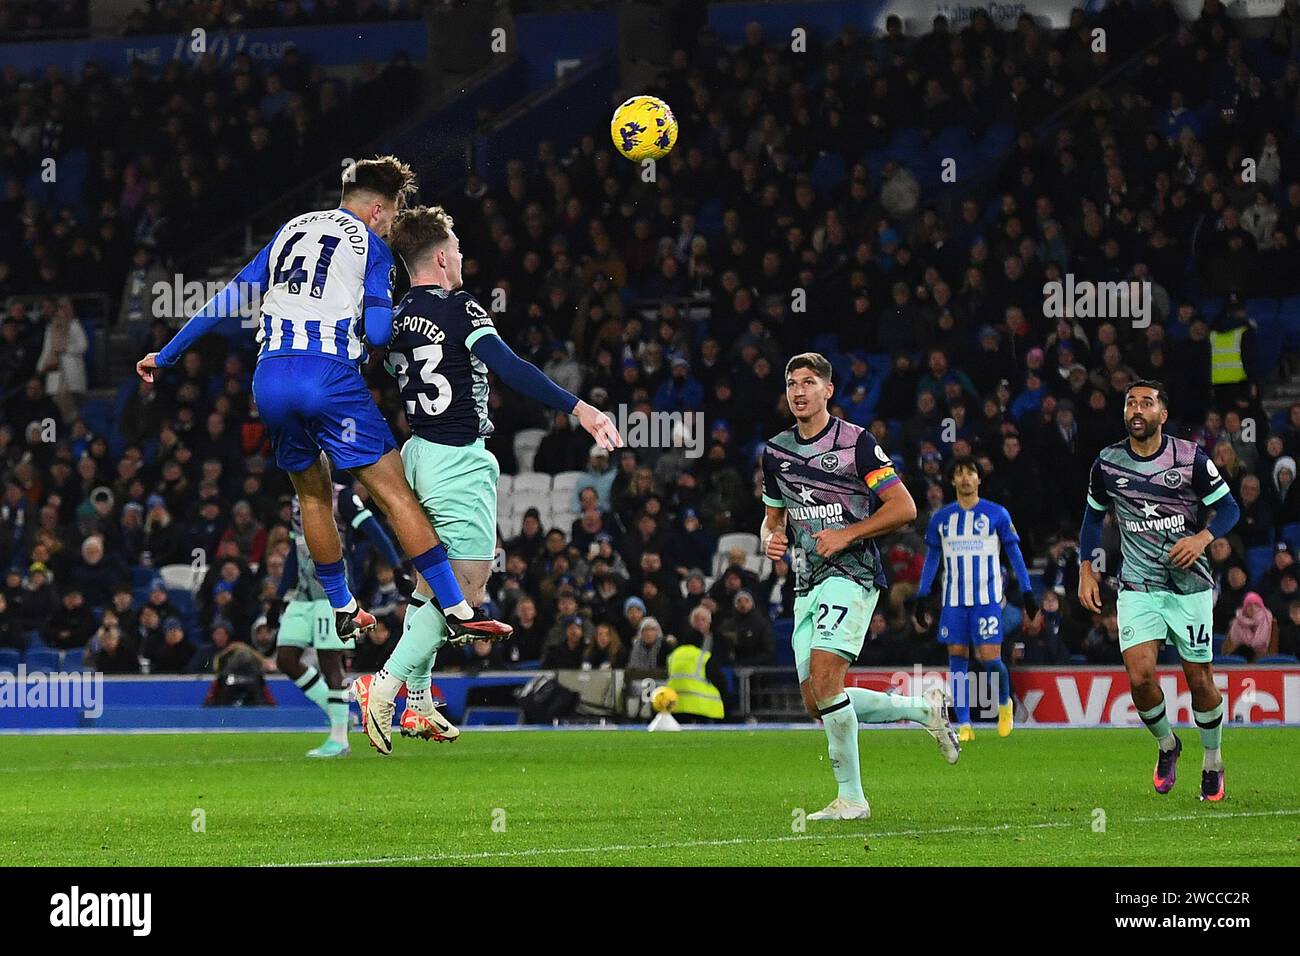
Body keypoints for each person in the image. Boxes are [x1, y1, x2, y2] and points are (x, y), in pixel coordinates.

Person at [134, 157, 510, 648]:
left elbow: (227, 299)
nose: (392, 224)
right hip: (328, 377)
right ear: (378, 209)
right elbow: (377, 331)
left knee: (312, 495)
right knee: (395, 494)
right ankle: (458, 608)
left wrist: (167, 354)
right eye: (393, 214)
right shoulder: (373, 248)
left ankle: (342, 606)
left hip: (270, 380)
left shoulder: (289, 232)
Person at [347, 204, 621, 755]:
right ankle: (384, 685)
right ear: (444, 257)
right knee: (468, 587)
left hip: (417, 451)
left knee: (433, 583)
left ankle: (419, 699)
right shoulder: (461, 307)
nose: (463, 258)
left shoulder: (396, 316)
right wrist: (580, 408)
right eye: (459, 250)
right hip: (457, 457)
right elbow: (511, 366)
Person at [759, 352, 959, 821]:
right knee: (817, 701)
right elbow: (772, 519)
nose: (799, 391)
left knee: (828, 681)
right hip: (805, 583)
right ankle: (922, 711)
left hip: (852, 574)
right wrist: (771, 539)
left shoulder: (857, 444)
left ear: (829, 390)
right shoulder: (775, 452)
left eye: (809, 382)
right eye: (791, 384)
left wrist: (846, 534)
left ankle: (852, 799)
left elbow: (904, 507)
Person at [1078, 380, 1241, 802]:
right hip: (1138, 585)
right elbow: (1092, 520)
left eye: (1146, 403)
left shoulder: (1189, 458)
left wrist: (1202, 539)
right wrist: (1085, 569)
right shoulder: (1107, 463)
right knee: (1140, 678)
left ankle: (1213, 760)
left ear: (1162, 415)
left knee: (1199, 679)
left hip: (1189, 587)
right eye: (1131, 402)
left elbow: (1230, 508)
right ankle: (1168, 744)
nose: (1137, 409)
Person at [914, 455, 1038, 741]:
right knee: (957, 657)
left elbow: (1014, 554)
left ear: (979, 478)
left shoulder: (997, 514)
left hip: (987, 599)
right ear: (952, 480)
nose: (966, 478)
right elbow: (933, 558)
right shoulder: (941, 519)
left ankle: (1004, 705)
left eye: (971, 472)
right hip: (954, 600)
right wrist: (922, 595)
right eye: (960, 473)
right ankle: (965, 724)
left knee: (989, 658)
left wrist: (1029, 591)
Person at [275, 482, 402, 758]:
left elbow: (374, 531)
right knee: (285, 658)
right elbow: (296, 552)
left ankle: (339, 738)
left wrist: (397, 566)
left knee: (330, 661)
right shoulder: (298, 498)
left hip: (334, 592)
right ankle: (340, 715)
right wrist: (278, 595)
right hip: (302, 594)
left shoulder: (341, 496)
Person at [1222, 591, 1277, 661]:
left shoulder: (1269, 622)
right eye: (1249, 605)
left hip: (1263, 661)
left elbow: (1273, 650)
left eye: (1256, 605)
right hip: (1239, 661)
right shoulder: (1236, 623)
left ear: (1261, 607)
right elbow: (1228, 649)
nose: (1252, 608)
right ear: (1244, 608)